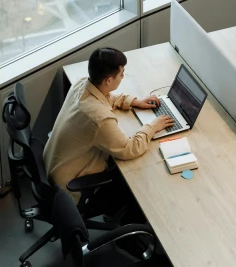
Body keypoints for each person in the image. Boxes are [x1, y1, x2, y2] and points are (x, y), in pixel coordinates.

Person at [44, 47, 174, 216]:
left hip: (56, 165)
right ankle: (131, 234)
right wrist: (152, 126)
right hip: (71, 187)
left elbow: (104, 97)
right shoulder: (100, 118)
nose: (123, 77)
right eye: (121, 74)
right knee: (137, 179)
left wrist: (134, 101)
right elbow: (129, 149)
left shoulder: (82, 83)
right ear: (108, 80)